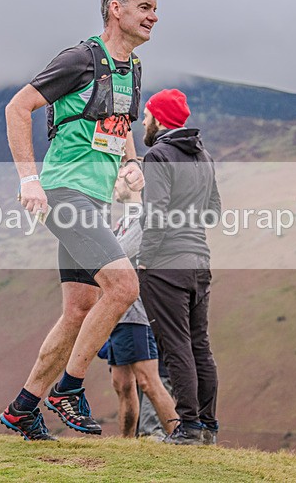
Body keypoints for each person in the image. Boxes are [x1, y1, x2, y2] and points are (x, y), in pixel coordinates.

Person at [0, 0, 158, 440]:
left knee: (79, 310)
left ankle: (23, 406)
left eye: (156, 10)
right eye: (144, 6)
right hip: (62, 193)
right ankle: (68, 388)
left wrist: (130, 162)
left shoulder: (133, 68)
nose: (153, 17)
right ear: (115, 9)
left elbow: (121, 121)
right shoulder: (80, 59)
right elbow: (17, 107)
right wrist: (30, 179)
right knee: (124, 286)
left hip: (95, 198)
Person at [137, 89, 221, 446]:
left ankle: (187, 428)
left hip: (165, 266)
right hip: (199, 262)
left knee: (176, 347)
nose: (143, 121)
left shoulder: (157, 156)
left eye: (147, 115)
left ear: (159, 119)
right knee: (199, 346)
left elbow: (155, 215)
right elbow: (214, 211)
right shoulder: (203, 156)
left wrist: (145, 260)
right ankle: (207, 426)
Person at [105, 167, 178, 438]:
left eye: (120, 178)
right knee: (122, 384)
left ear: (134, 182)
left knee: (148, 381)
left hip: (135, 313)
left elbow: (118, 255)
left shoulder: (140, 218)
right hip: (117, 316)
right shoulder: (122, 221)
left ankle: (180, 436)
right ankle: (126, 446)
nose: (115, 184)